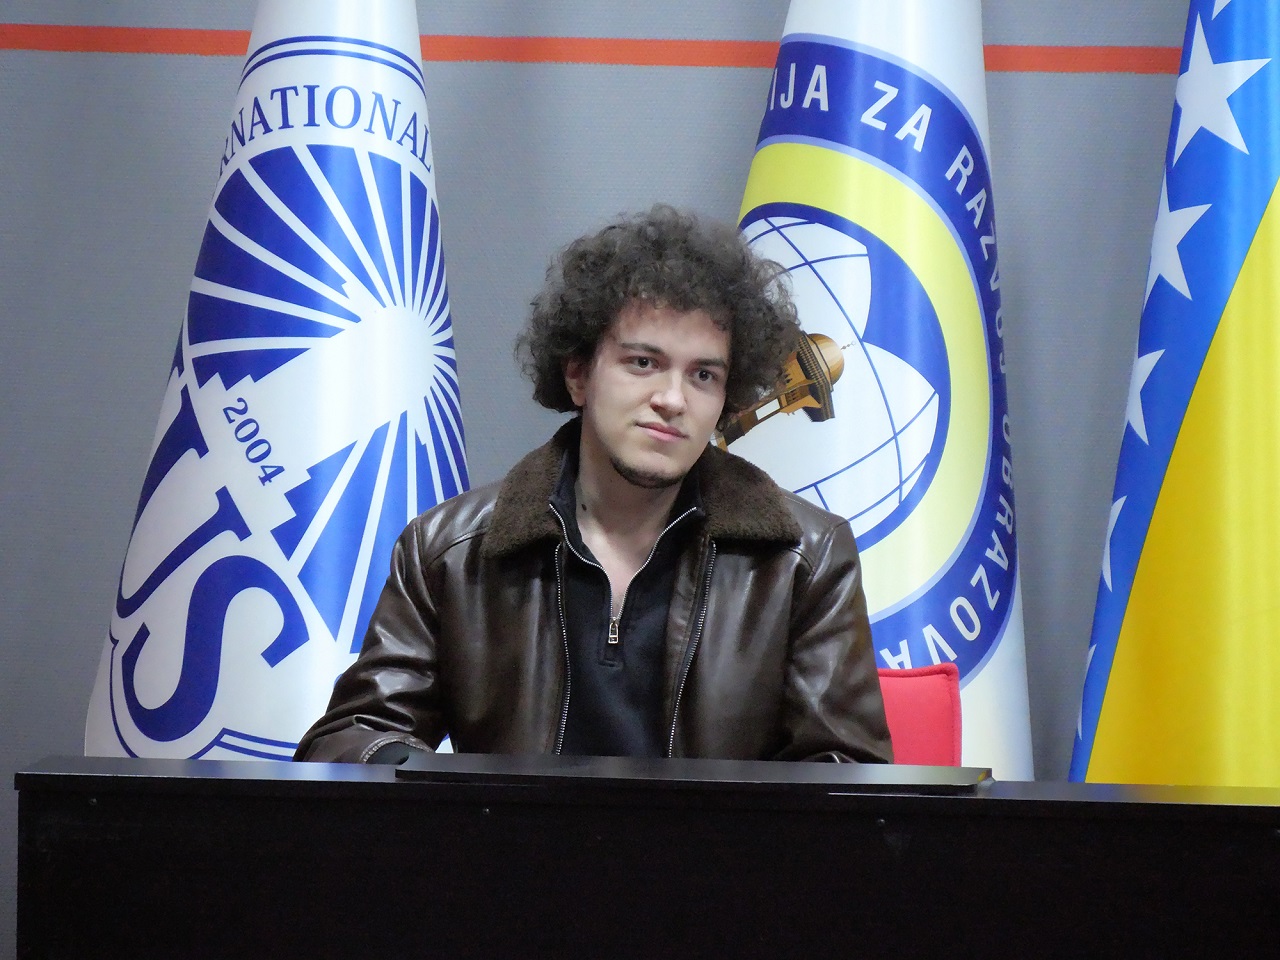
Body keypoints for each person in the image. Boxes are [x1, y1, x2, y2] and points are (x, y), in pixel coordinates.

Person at [294, 205, 893, 765]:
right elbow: (351, 737)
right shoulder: (449, 551)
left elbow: (849, 778)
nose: (672, 399)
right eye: (643, 363)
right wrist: (437, 797)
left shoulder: (804, 558)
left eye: (703, 375)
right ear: (579, 375)